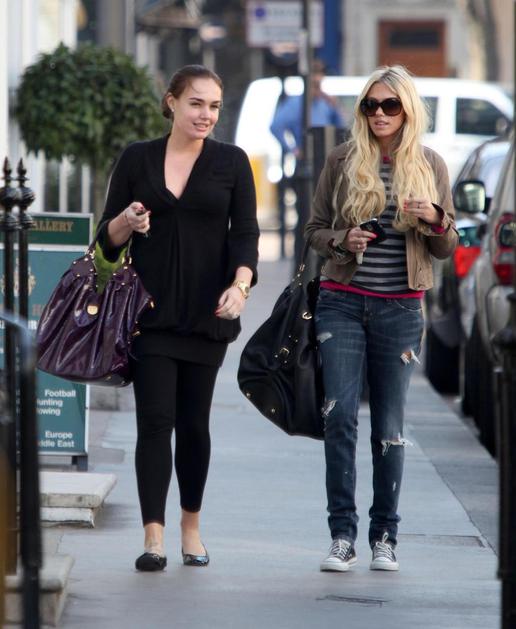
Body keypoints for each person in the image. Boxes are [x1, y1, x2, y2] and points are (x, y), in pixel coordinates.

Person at [96, 64, 259, 572]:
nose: (206, 114)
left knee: (193, 425)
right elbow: (105, 242)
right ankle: (154, 538)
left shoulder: (232, 163)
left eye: (214, 106)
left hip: (208, 315)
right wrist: (126, 221)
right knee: (154, 422)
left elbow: (245, 235)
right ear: (171, 102)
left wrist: (240, 286)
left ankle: (191, 527)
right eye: (196, 103)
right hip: (149, 315)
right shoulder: (137, 158)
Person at [304, 65, 458, 573]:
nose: (380, 114)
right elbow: (314, 229)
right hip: (342, 301)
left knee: (389, 426)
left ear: (408, 110)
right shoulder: (342, 160)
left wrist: (434, 217)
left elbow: (446, 247)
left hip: (401, 310)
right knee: (339, 416)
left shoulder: (430, 164)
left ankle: (385, 536)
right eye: (371, 105)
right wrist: (342, 239)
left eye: (390, 105)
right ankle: (341, 536)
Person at [270, 60, 345, 268]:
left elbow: (343, 128)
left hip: (327, 165)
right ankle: (302, 263)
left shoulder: (325, 103)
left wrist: (335, 106)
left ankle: (322, 261)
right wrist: (293, 149)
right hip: (307, 165)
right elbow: (276, 126)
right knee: (306, 216)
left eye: (320, 78)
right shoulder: (297, 103)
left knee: (329, 215)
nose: (317, 83)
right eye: (314, 79)